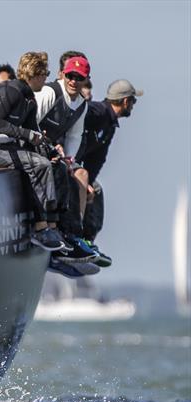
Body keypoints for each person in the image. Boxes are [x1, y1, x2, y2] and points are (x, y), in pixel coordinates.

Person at [0, 51, 68, 252]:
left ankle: (53, 226)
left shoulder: (29, 99)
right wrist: (27, 135)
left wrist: (49, 149)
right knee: (39, 164)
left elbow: (33, 131)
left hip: (5, 147)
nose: (46, 78)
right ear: (35, 74)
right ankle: (40, 228)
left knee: (52, 163)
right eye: (45, 73)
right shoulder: (12, 91)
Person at [34, 55, 101, 266]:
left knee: (81, 174)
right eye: (70, 76)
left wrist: (72, 162)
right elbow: (30, 122)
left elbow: (74, 136)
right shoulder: (50, 93)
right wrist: (51, 149)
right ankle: (54, 229)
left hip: (53, 151)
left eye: (78, 78)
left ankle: (75, 235)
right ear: (63, 74)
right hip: (33, 146)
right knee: (59, 170)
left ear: (85, 79)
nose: (73, 81)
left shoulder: (81, 105)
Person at [77, 79, 143, 266]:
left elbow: (97, 159)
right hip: (67, 161)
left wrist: (89, 182)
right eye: (133, 101)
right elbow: (75, 116)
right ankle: (75, 239)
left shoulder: (110, 124)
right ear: (125, 101)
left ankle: (87, 241)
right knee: (92, 189)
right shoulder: (98, 111)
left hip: (80, 169)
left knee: (94, 189)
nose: (133, 106)